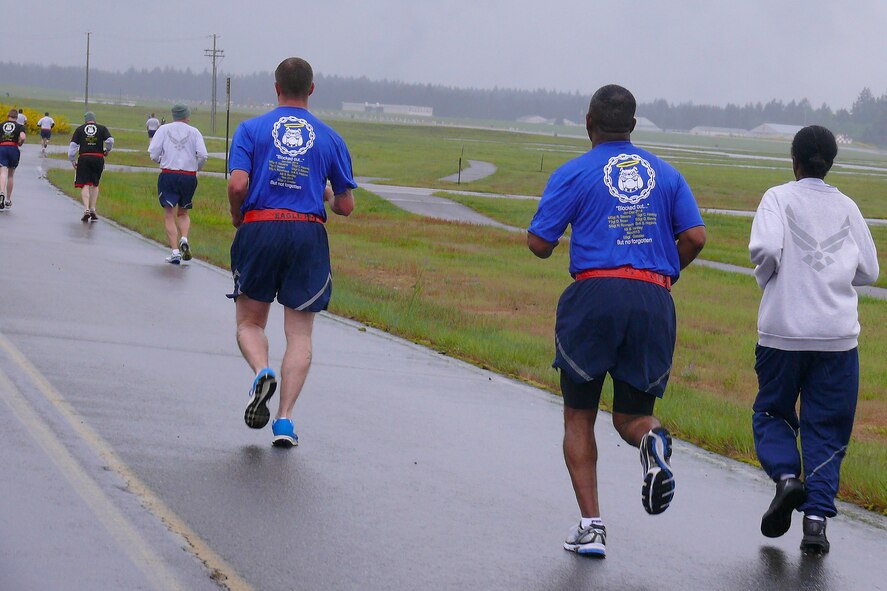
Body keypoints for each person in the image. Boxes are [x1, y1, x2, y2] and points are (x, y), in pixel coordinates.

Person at [527, 85, 706, 557]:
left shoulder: (574, 172)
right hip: (653, 298)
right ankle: (652, 443)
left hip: (594, 296)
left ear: (588, 122)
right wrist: (662, 275)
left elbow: (539, 244)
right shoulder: (666, 174)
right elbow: (695, 236)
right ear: (634, 123)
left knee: (579, 414)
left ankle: (592, 526)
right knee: (632, 416)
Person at [749, 125, 879, 555]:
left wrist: (772, 280)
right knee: (827, 427)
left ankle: (787, 479)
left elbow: (766, 250)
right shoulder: (847, 206)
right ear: (830, 163)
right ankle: (817, 523)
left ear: (794, 160)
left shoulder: (778, 198)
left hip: (783, 333)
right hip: (837, 338)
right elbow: (871, 272)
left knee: (772, 412)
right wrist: (835, 278)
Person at [227, 57, 356, 447]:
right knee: (299, 333)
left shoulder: (251, 129)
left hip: (260, 226)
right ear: (312, 89)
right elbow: (346, 206)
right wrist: (329, 193)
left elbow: (236, 185)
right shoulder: (331, 138)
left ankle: (261, 371)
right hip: (308, 232)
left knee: (250, 323)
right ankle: (284, 421)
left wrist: (238, 216)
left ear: (276, 87)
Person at [148, 103, 208, 264]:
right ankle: (184, 237)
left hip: (169, 173)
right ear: (186, 116)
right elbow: (203, 154)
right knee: (184, 212)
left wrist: (160, 160)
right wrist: (197, 167)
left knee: (169, 213)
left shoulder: (164, 129)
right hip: (189, 175)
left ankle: (175, 250)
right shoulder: (194, 132)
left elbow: (153, 152)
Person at [68, 112, 114, 222]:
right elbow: (110, 140)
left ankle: (86, 209)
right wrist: (107, 150)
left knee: (84, 184)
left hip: (84, 157)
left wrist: (72, 159)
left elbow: (73, 146)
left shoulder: (79, 129)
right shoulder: (102, 128)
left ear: (85, 120)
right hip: (98, 158)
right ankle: (93, 208)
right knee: (95, 183)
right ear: (94, 120)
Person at [0, 108, 27, 210]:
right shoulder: (20, 126)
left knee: (2, 172)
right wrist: (20, 143)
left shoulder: (1, 125)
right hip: (13, 148)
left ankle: (1, 193)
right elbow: (23, 137)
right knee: (10, 175)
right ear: (16, 118)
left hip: (2, 147)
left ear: (8, 116)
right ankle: (7, 199)